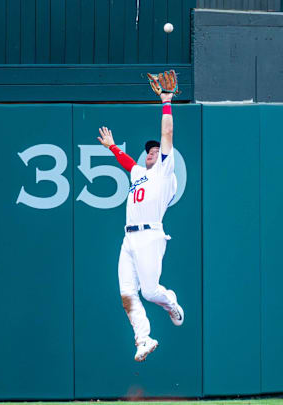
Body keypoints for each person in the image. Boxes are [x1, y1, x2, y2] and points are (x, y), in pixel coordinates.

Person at [96, 90, 185, 362]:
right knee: (126, 293)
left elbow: (167, 135)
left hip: (150, 235)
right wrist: (111, 146)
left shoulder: (164, 172)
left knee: (149, 291)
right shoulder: (139, 173)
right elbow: (127, 163)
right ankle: (143, 339)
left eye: (157, 151)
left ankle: (170, 302)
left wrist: (166, 103)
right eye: (149, 151)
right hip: (129, 239)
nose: (152, 153)